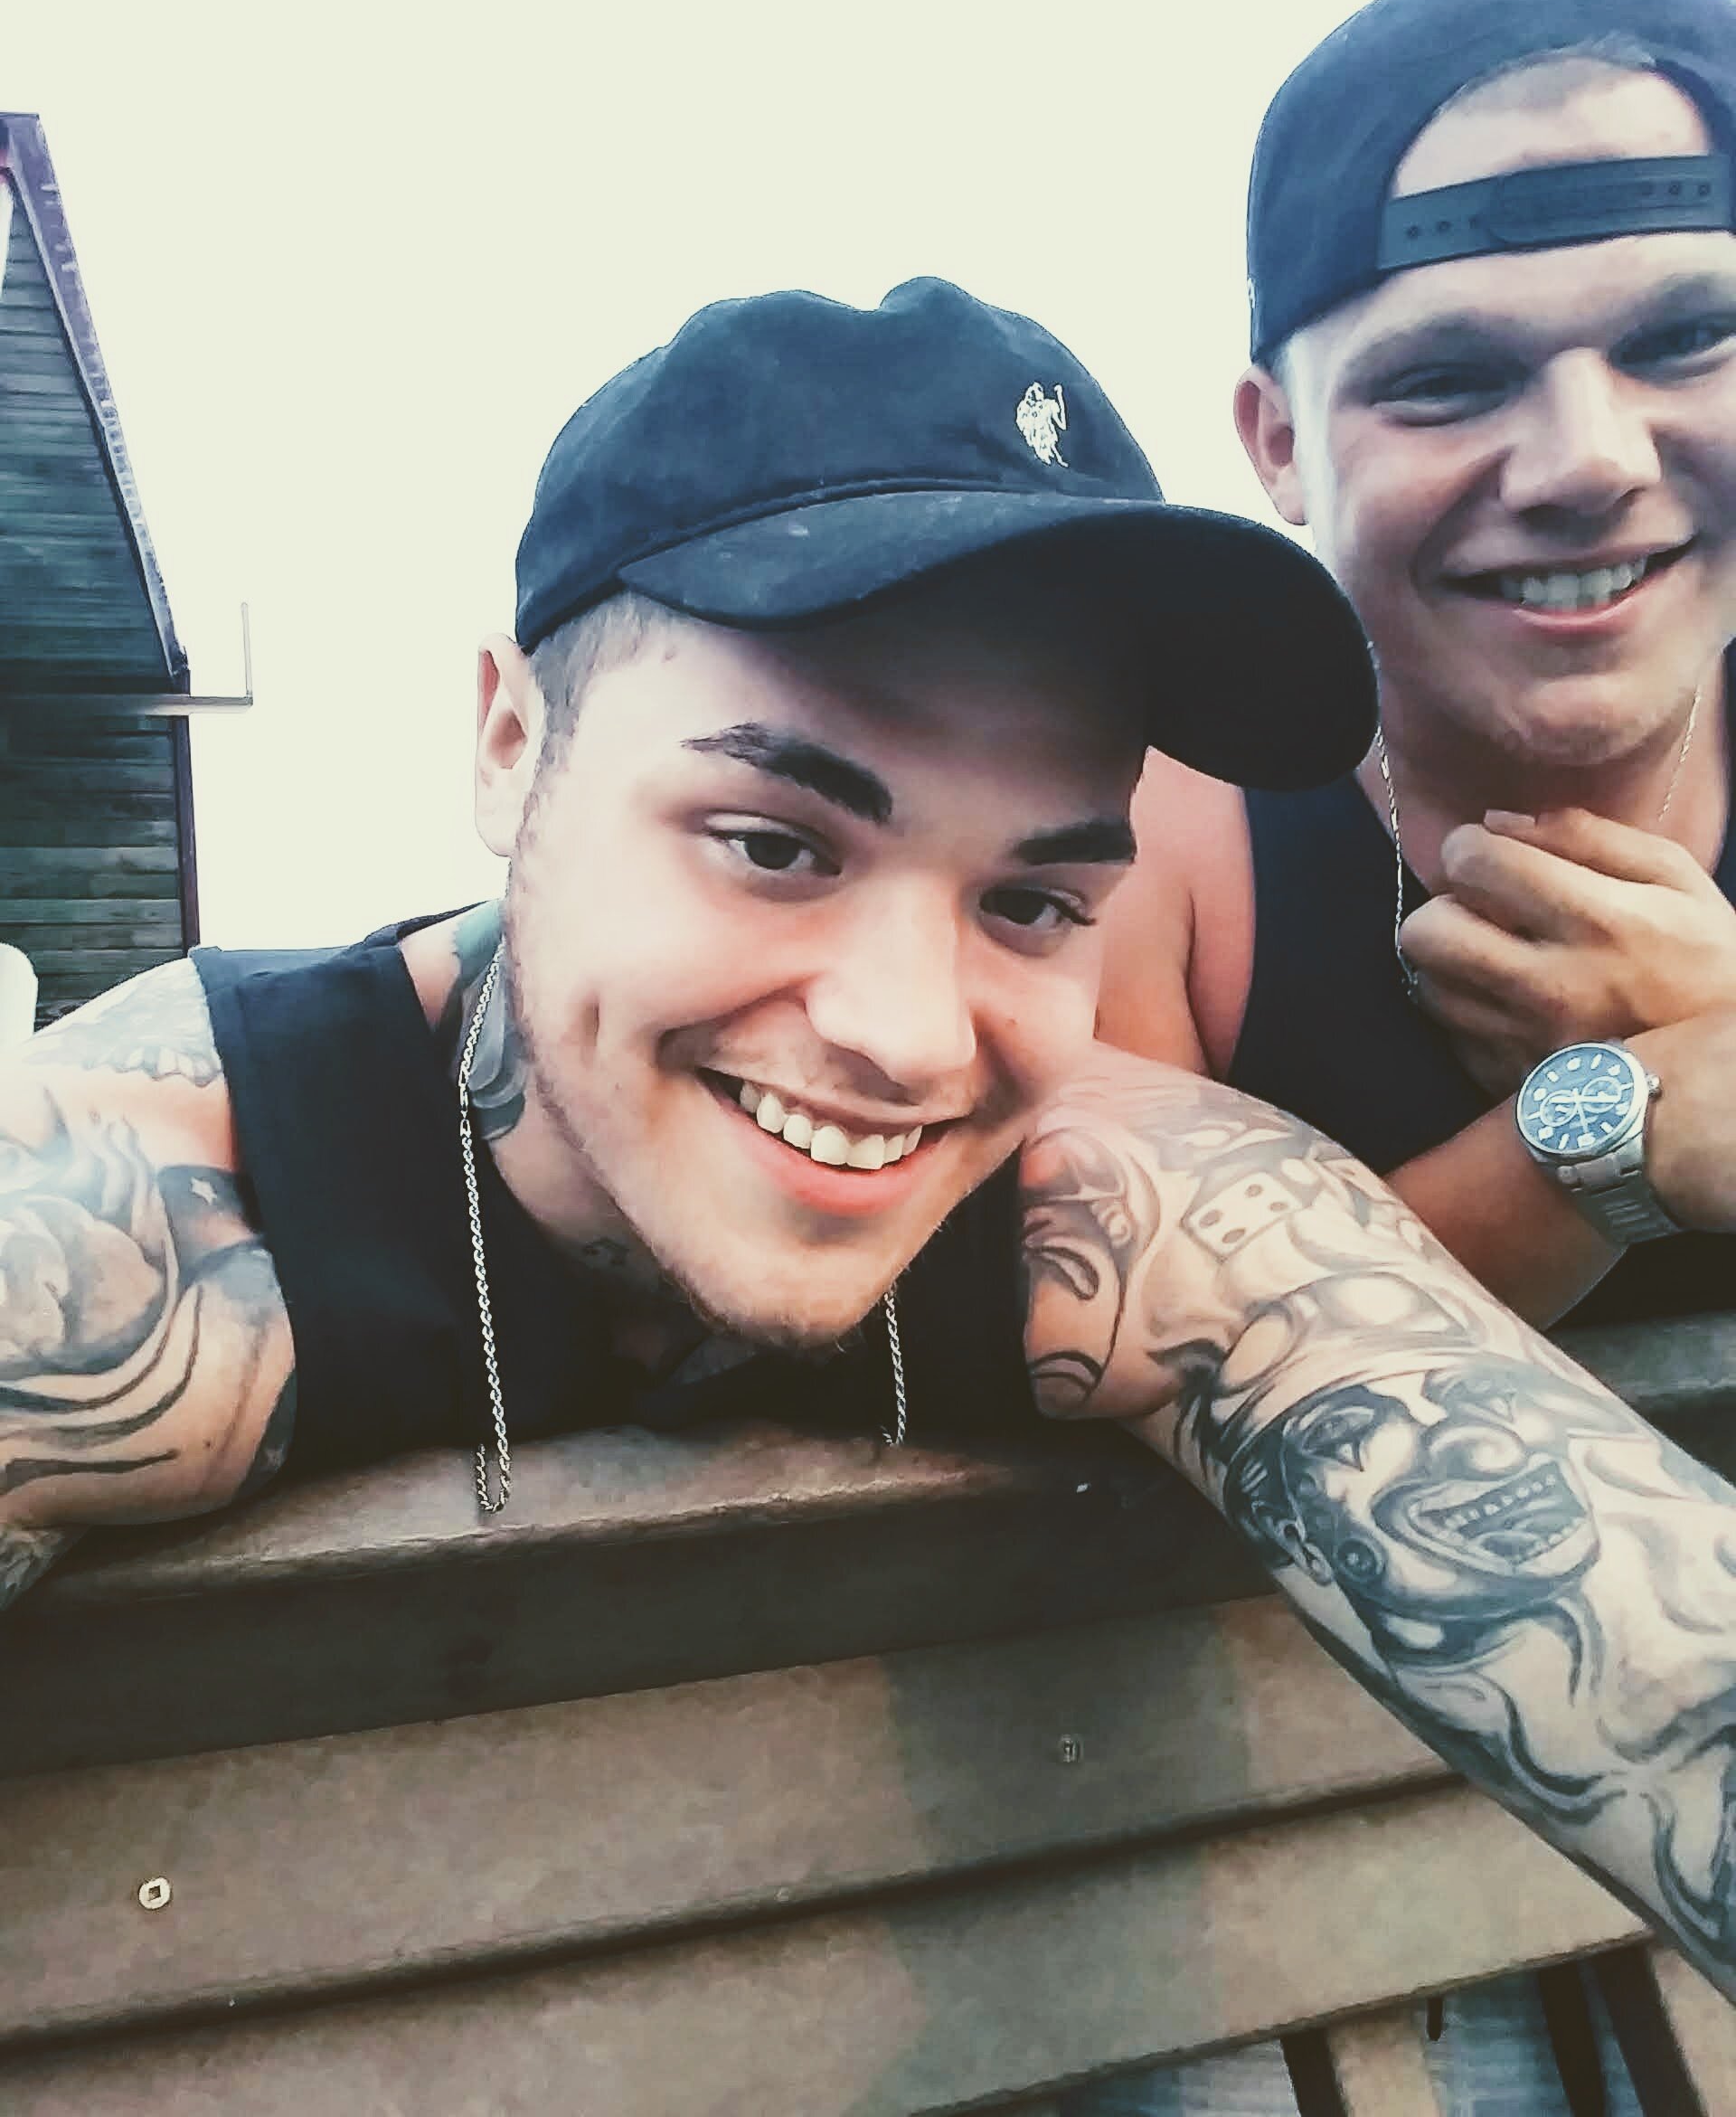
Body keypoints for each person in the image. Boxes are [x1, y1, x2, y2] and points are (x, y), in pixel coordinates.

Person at [13, 278, 1736, 2080]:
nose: (911, 1039)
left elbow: (1654, 1646)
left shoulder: (1109, 1196)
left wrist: (1616, 1128)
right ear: (511, 746)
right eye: (773, 845)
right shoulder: (131, 1227)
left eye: (1033, 901)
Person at [1095, 0, 1736, 2112]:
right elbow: (1136, 1302)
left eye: (1688, 339)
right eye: (1450, 379)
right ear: (1276, 441)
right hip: (1234, 1922)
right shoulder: (1168, 829)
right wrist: (1627, 1120)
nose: (1589, 460)